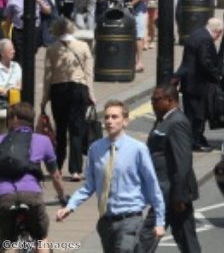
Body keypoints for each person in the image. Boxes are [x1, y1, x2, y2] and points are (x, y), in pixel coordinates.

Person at [57, 100, 165, 253]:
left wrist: (159, 221)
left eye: (115, 117)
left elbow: (152, 186)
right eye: (107, 117)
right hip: (106, 222)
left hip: (130, 220)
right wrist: (70, 206)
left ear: (125, 121)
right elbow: (89, 186)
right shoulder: (95, 149)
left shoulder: (138, 149)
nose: (109, 121)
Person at [137, 84, 200, 253]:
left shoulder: (177, 122)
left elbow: (183, 161)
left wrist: (179, 197)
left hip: (171, 193)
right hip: (166, 190)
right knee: (186, 238)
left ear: (170, 100)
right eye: (151, 100)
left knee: (147, 236)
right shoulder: (164, 119)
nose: (152, 104)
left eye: (156, 100)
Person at [0, 102, 66, 244]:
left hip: (4, 196)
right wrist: (62, 197)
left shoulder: (1, 140)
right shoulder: (43, 140)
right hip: (31, 195)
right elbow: (55, 175)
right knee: (41, 238)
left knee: (4, 241)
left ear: (14, 119)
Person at [41, 18, 95, 182]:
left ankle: (57, 166)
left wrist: (44, 99)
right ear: (72, 29)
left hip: (59, 90)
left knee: (61, 130)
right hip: (79, 89)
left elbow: (47, 76)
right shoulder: (83, 46)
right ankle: (76, 170)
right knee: (77, 130)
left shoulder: (51, 49)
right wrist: (91, 94)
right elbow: (89, 73)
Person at [175, 17, 224, 151]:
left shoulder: (197, 34)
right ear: (217, 31)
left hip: (190, 83)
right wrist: (217, 76)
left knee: (191, 113)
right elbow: (205, 62)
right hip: (198, 84)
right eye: (220, 34)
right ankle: (194, 141)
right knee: (197, 115)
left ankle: (195, 139)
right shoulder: (205, 40)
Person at [0, 38, 22, 115]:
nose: (13, 51)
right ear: (2, 53)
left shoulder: (16, 66)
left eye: (13, 49)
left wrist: (8, 91)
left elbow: (19, 85)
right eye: (10, 50)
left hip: (14, 103)